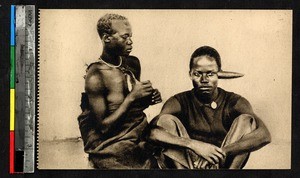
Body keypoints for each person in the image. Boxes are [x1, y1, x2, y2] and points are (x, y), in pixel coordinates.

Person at [147, 46, 271, 169]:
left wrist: (221, 152)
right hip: (189, 166)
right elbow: (151, 133)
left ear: (220, 74)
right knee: (165, 120)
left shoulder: (235, 101)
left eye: (210, 74)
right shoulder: (178, 101)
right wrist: (194, 145)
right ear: (190, 74)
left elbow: (264, 135)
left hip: (222, 165)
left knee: (246, 120)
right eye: (198, 74)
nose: (204, 80)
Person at [77, 14, 162, 169]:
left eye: (130, 36)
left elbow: (132, 107)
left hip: (135, 131)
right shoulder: (96, 75)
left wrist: (148, 98)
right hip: (111, 140)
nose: (130, 42)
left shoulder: (133, 63)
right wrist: (133, 96)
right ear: (106, 38)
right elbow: (103, 127)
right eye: (124, 37)